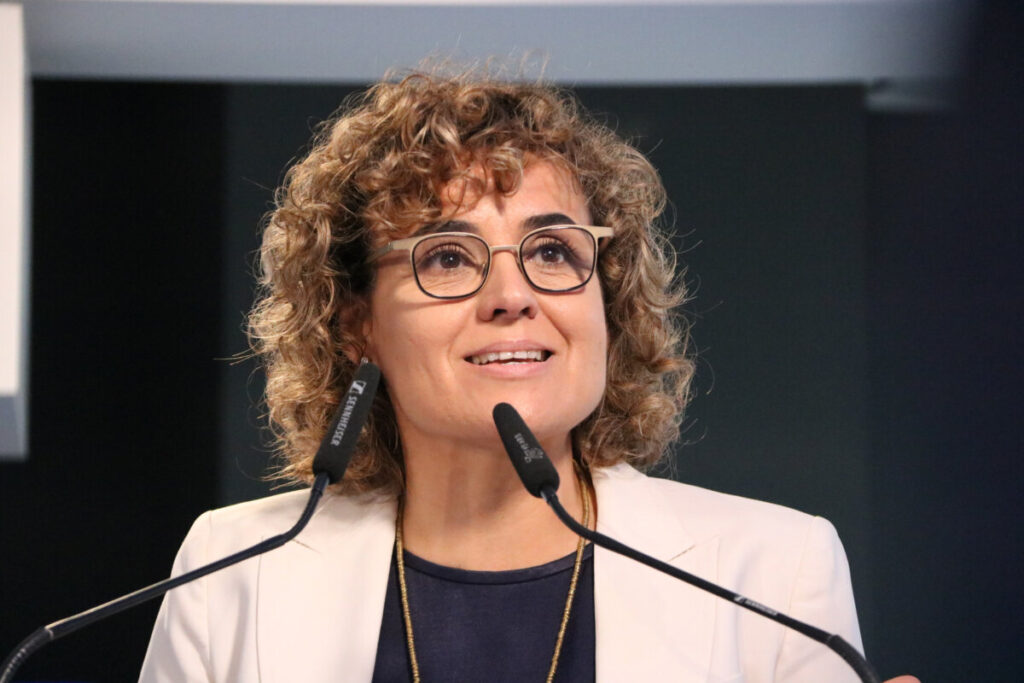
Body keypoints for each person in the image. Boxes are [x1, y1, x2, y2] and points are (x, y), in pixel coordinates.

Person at [139, 67, 917, 682]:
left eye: (552, 251)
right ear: (357, 326)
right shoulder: (232, 573)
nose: (512, 296)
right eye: (449, 256)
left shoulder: (776, 573)